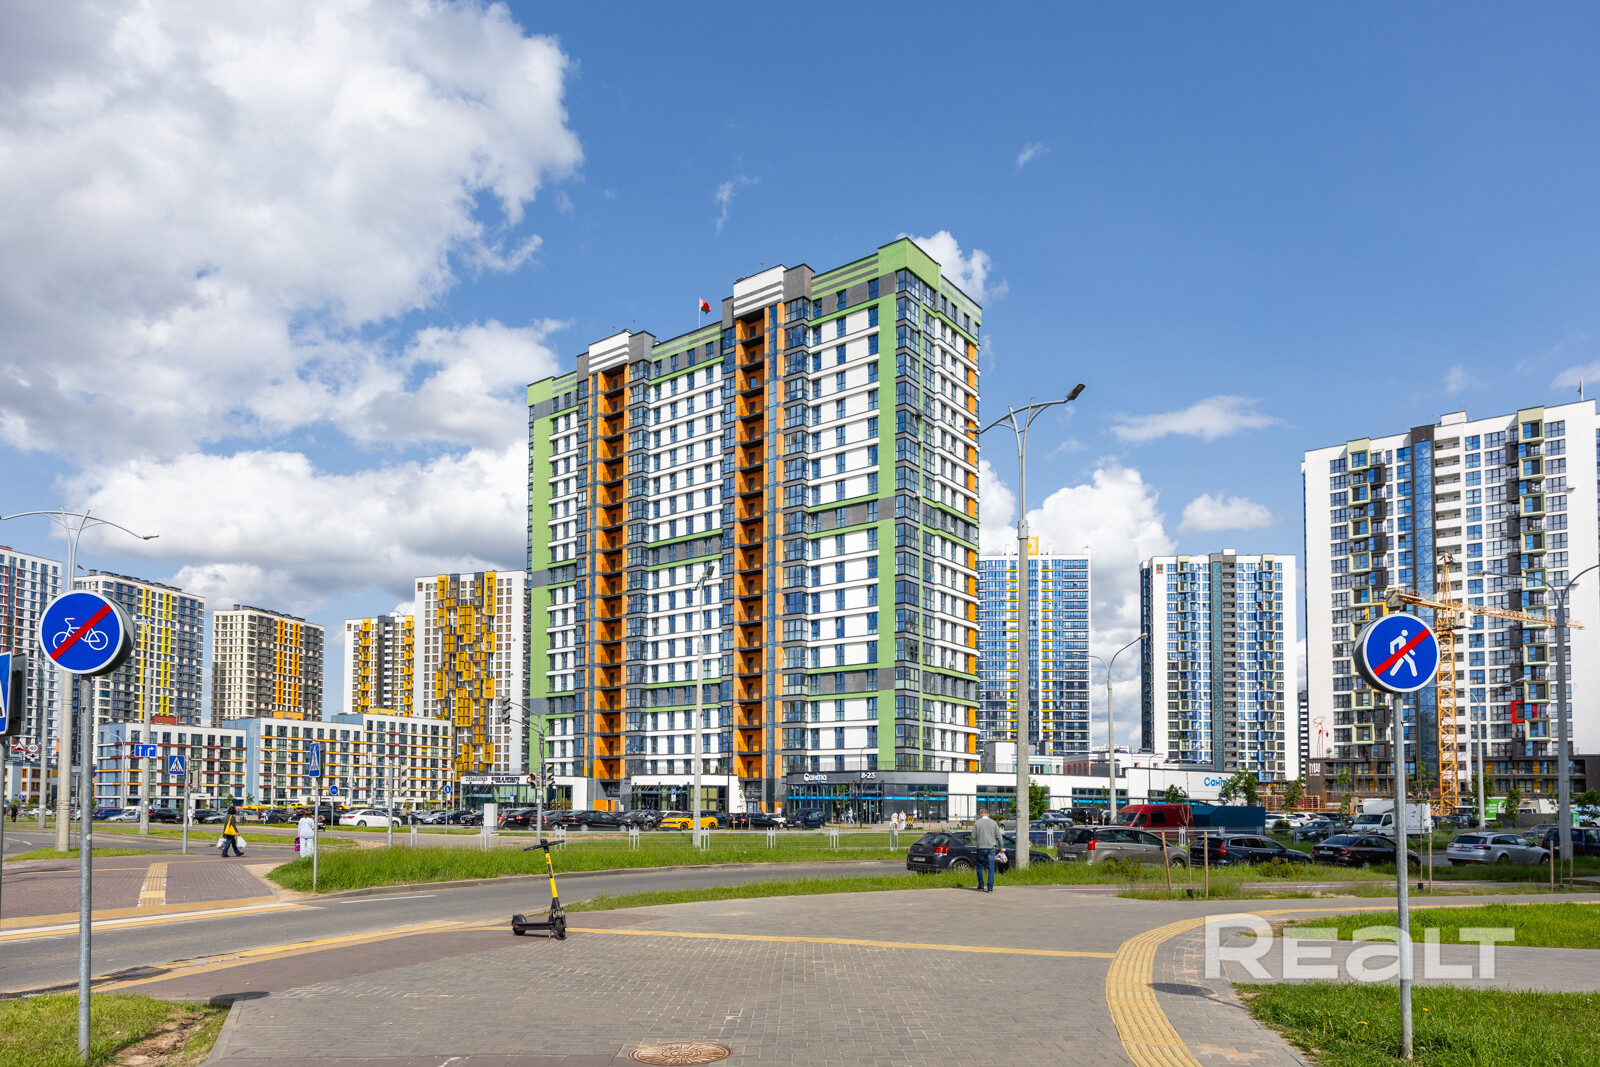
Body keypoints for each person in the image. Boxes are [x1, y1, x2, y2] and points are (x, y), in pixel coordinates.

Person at [971, 808, 1003, 893]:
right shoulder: (994, 823)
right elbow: (999, 836)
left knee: (979, 866)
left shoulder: (977, 823)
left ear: (980, 814)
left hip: (981, 847)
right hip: (991, 848)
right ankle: (990, 888)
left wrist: (979, 838)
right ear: (988, 814)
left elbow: (973, 836)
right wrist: (1001, 847)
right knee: (991, 868)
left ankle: (981, 886)